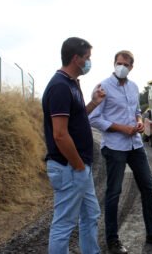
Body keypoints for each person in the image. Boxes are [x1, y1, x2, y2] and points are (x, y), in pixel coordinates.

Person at [89, 50, 152, 254]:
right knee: (113, 193)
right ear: (114, 63)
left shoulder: (134, 87)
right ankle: (113, 241)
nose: (121, 67)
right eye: (118, 63)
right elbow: (93, 118)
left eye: (125, 64)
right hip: (114, 146)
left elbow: (137, 112)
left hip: (136, 145)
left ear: (131, 67)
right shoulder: (102, 87)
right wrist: (121, 128)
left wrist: (138, 123)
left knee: (148, 187)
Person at [42, 37, 106, 254]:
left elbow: (77, 120)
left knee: (90, 214)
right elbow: (60, 134)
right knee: (64, 224)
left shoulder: (71, 84)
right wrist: (78, 166)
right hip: (70, 167)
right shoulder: (60, 86)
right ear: (76, 58)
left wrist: (94, 103)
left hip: (79, 167)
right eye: (87, 57)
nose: (90, 62)